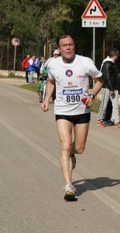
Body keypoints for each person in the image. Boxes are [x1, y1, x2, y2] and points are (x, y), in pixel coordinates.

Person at [41, 34, 103, 201]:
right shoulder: (53, 64)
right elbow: (50, 81)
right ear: (59, 49)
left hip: (82, 110)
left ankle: (71, 155)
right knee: (66, 144)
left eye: (71, 44)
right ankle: (69, 186)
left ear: (74, 46)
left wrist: (92, 95)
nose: (68, 48)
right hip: (62, 110)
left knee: (79, 148)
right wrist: (46, 99)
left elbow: (100, 80)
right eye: (64, 45)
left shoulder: (85, 62)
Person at [97, 48, 120, 128]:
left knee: (115, 105)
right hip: (107, 87)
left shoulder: (112, 63)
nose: (118, 57)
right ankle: (100, 120)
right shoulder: (107, 63)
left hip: (114, 87)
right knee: (104, 105)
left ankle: (116, 120)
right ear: (115, 55)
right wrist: (111, 88)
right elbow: (107, 77)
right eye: (118, 55)